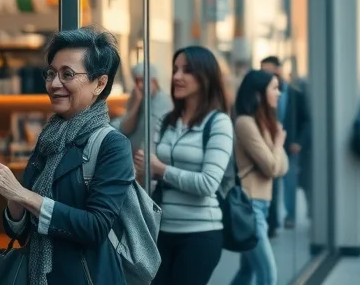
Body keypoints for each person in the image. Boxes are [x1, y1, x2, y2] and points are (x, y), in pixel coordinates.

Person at [0, 27, 134, 285]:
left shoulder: (112, 144)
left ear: (100, 83)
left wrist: (25, 195)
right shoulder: (49, 138)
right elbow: (20, 231)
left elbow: (96, 227)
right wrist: (15, 201)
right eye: (51, 73)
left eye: (68, 75)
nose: (54, 84)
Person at [140, 45, 234, 285]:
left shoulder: (219, 123)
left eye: (187, 71)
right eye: (175, 70)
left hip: (200, 235)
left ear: (205, 77)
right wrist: (144, 172)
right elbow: (149, 178)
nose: (177, 77)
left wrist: (161, 169)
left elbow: (208, 184)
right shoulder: (165, 121)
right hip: (161, 232)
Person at [230, 69, 288, 285]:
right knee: (267, 274)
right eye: (274, 88)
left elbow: (283, 167)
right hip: (250, 206)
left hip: (260, 205)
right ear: (258, 93)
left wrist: (275, 146)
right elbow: (273, 168)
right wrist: (279, 142)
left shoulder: (262, 123)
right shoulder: (245, 123)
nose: (279, 93)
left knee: (248, 272)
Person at [260, 55, 308, 234]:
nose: (265, 74)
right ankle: (272, 222)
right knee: (271, 184)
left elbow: (306, 120)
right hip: (268, 146)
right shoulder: (262, 94)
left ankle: (290, 216)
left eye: (269, 70)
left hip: (289, 146)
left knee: (290, 184)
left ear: (278, 70)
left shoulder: (295, 94)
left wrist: (298, 142)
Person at [113, 62, 173, 152]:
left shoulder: (164, 102)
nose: (140, 85)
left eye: (142, 81)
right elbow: (125, 129)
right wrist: (136, 103)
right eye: (137, 81)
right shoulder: (136, 97)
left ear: (154, 81)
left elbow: (152, 137)